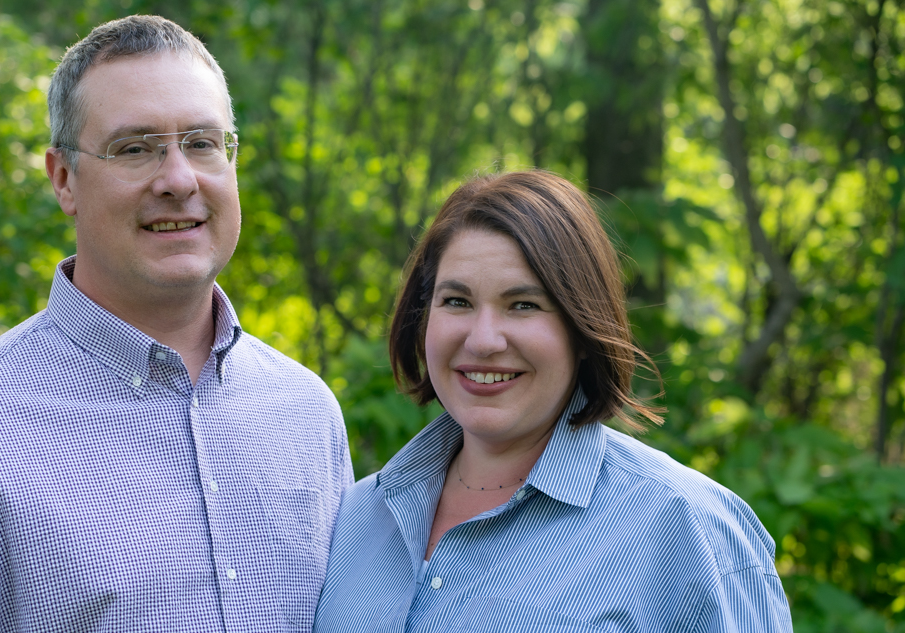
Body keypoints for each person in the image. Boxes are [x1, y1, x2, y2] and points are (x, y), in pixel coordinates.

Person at [0, 15, 353, 632]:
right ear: (64, 179)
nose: (179, 179)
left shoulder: (305, 412)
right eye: (135, 149)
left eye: (202, 143)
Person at [312, 170, 792, 632]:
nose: (483, 341)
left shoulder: (688, 531)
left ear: (583, 328)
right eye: (457, 301)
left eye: (524, 305)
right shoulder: (357, 517)